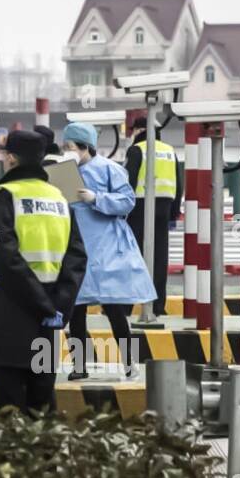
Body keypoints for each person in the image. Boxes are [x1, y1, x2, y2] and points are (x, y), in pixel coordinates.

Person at [0, 129, 86, 413]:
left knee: (9, 403)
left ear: (11, 158)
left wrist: (41, 305)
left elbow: (4, 256)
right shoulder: (60, 198)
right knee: (42, 399)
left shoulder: (6, 194)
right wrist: (58, 307)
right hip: (51, 315)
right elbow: (77, 257)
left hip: (11, 309)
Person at [60, 122, 154, 379]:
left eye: (70, 147)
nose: (66, 151)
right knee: (75, 311)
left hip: (106, 248)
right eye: (64, 146)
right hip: (76, 247)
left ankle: (129, 363)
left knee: (114, 309)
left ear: (84, 147)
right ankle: (79, 366)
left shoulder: (110, 169)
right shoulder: (61, 173)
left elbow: (127, 202)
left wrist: (96, 198)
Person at [124, 115, 183, 316]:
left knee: (133, 258)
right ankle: (158, 307)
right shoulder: (170, 151)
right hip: (164, 209)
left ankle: (126, 307)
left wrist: (121, 211)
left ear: (140, 131)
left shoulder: (136, 150)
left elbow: (128, 183)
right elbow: (179, 184)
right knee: (159, 259)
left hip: (139, 209)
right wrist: (174, 213)